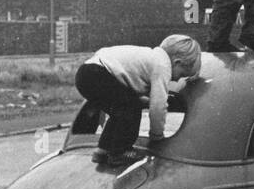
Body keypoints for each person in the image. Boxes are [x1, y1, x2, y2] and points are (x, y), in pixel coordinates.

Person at [75, 35, 201, 167]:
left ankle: (103, 150)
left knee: (121, 110)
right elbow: (158, 106)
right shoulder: (162, 66)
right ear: (177, 62)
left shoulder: (151, 57)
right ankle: (119, 152)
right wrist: (156, 136)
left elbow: (132, 81)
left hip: (87, 73)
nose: (176, 80)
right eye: (181, 75)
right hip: (96, 73)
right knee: (130, 107)